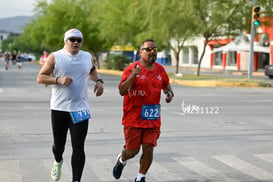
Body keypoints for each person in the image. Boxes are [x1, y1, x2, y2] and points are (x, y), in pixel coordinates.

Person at [37, 28, 104, 182]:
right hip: (59, 108)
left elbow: (92, 72)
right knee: (59, 146)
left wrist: (99, 81)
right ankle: (58, 160)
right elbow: (40, 77)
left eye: (79, 40)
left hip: (80, 108)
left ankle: (76, 179)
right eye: (72, 39)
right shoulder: (55, 57)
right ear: (66, 41)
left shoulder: (87, 57)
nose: (76, 42)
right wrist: (58, 80)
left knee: (78, 146)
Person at [113, 39, 174, 182]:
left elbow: (166, 85)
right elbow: (122, 91)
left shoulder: (160, 69)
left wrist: (169, 93)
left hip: (152, 118)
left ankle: (140, 177)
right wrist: (133, 75)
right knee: (132, 151)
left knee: (148, 148)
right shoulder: (131, 69)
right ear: (141, 52)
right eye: (149, 49)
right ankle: (122, 159)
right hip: (133, 118)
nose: (152, 52)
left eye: (154, 49)